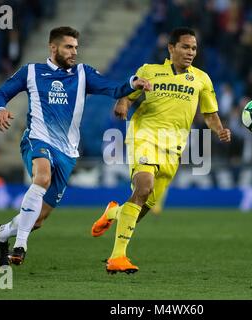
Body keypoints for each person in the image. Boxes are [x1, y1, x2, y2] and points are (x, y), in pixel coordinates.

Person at [0, 26, 151, 266]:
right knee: (42, 177)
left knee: (38, 219)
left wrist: (132, 83)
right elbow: (1, 93)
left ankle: (2, 233)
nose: (74, 52)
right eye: (68, 47)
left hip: (67, 152)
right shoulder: (32, 72)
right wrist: (0, 109)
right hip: (38, 139)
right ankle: (20, 245)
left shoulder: (83, 74)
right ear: (53, 47)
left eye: (76, 47)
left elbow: (113, 88)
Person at [91, 27, 231, 274]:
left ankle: (113, 212)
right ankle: (117, 258)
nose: (190, 52)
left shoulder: (201, 79)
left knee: (143, 206)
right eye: (185, 47)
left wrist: (220, 130)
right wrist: (122, 103)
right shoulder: (149, 71)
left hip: (173, 148)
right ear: (171, 48)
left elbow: (209, 114)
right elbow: (127, 94)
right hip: (144, 137)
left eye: (194, 48)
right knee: (142, 188)